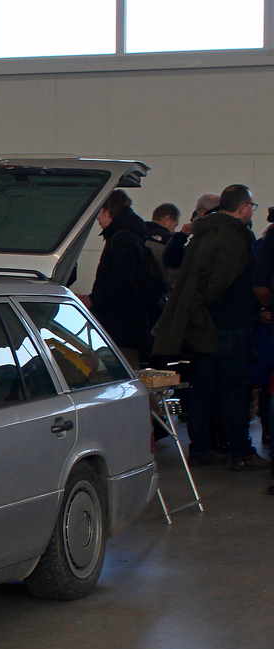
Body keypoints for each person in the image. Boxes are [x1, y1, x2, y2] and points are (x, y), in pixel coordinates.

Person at [153, 184, 270, 470]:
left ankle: (202, 448)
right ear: (244, 207)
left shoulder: (203, 231)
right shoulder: (236, 234)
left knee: (204, 389)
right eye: (251, 206)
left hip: (203, 325)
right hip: (229, 324)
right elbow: (221, 280)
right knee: (234, 390)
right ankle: (240, 452)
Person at [89, 189, 163, 367]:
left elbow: (123, 282)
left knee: (120, 373)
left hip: (122, 326)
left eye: (99, 213)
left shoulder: (122, 238)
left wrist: (92, 300)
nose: (97, 219)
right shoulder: (130, 234)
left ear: (108, 211)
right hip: (129, 324)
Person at [164, 192, 220, 272]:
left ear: (203, 212)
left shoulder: (202, 238)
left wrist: (182, 236)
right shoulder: (225, 233)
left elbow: (171, 260)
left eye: (196, 213)